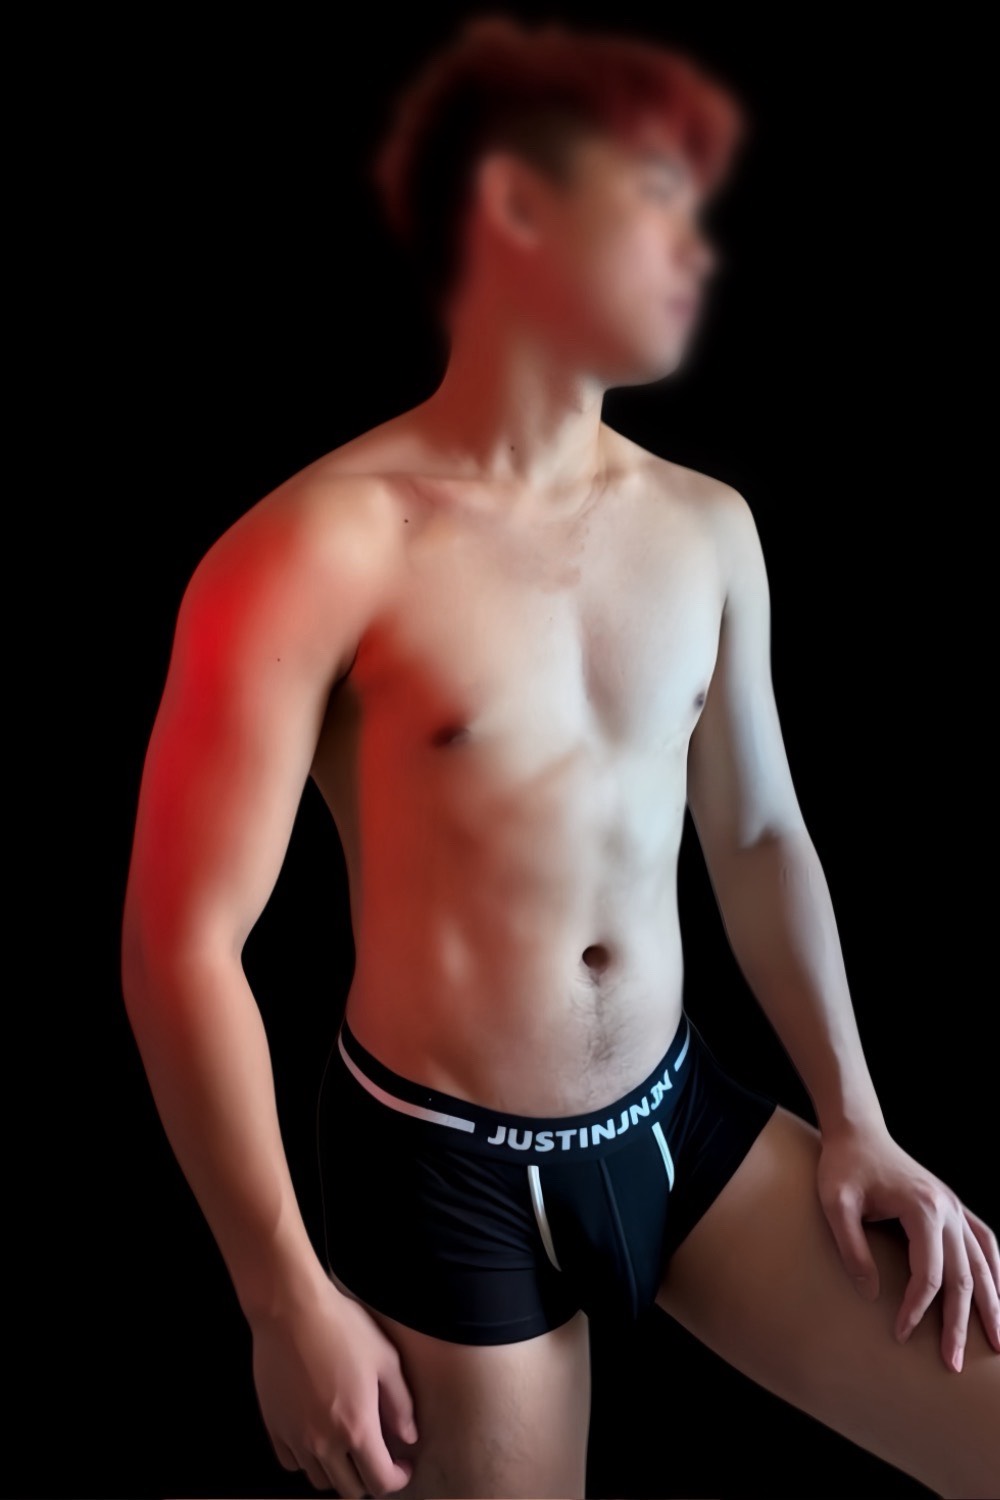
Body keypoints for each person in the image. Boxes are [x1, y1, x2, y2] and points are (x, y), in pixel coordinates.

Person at [120, 14, 1000, 1500]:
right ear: (516, 210)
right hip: (443, 1172)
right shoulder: (315, 549)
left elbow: (760, 835)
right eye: (655, 201)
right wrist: (281, 1296)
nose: (696, 251)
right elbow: (180, 943)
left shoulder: (709, 528)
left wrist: (857, 1116)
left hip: (679, 1114)